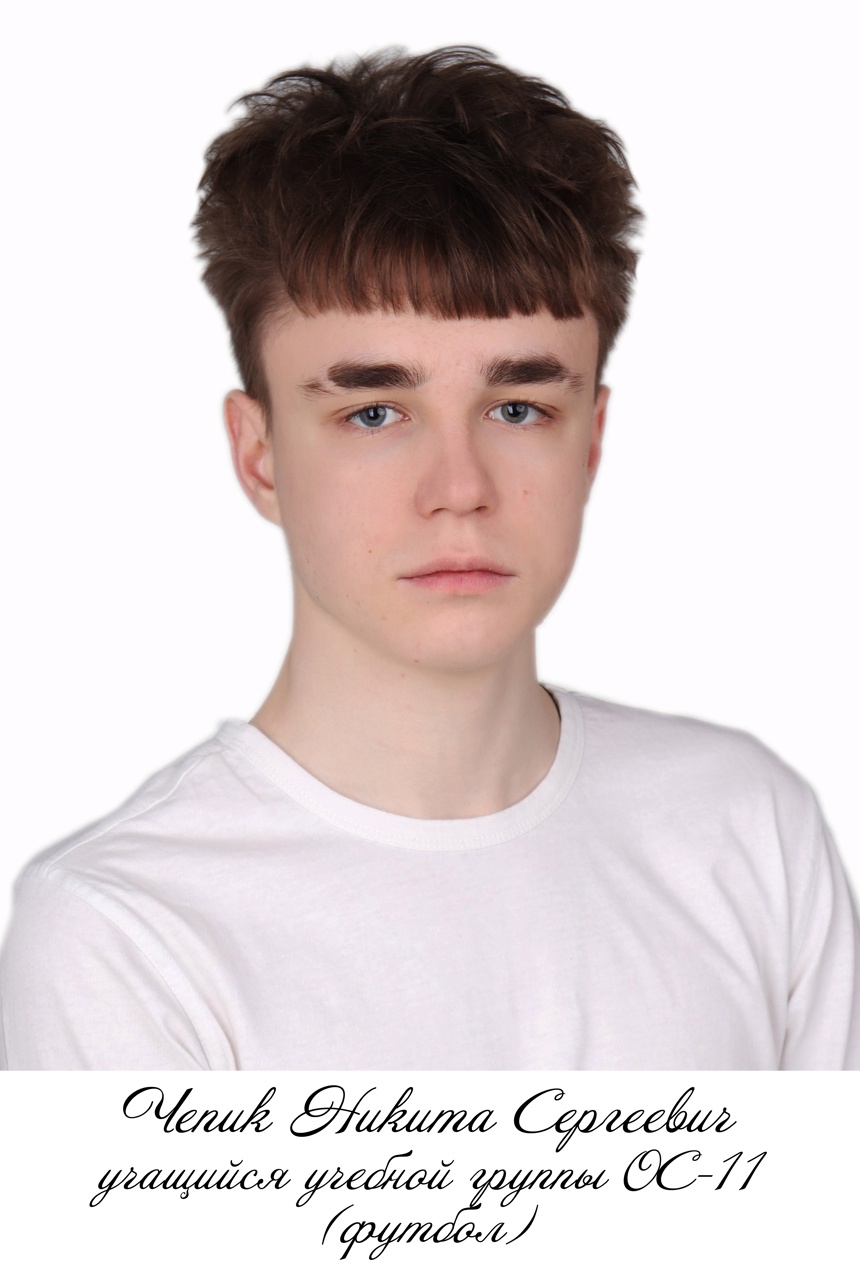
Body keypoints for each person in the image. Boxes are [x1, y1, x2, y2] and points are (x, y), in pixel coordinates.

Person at [1, 45, 857, 1071]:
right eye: (373, 411)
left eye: (517, 407)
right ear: (259, 455)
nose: (459, 484)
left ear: (589, 442)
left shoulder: (749, 831)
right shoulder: (127, 935)